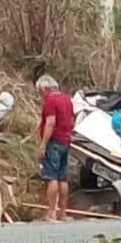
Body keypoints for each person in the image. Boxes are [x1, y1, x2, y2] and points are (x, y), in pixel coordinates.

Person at [36, 74, 74, 222]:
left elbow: (50, 122)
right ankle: (62, 213)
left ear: (45, 89)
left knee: (51, 177)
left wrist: (43, 143)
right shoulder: (67, 100)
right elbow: (71, 121)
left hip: (54, 142)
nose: (41, 96)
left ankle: (51, 212)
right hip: (65, 141)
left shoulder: (50, 101)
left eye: (40, 92)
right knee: (62, 178)